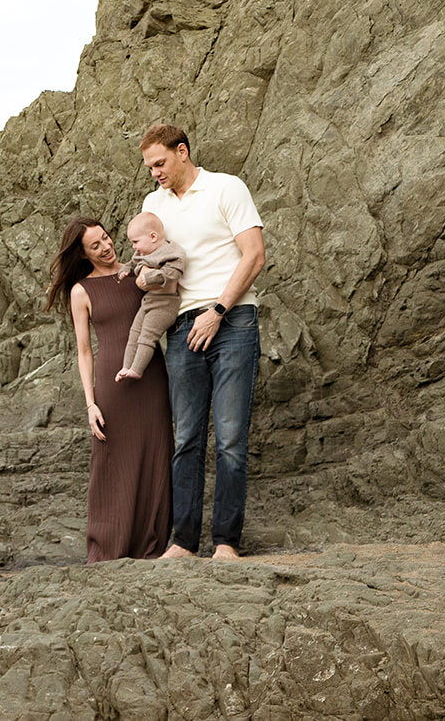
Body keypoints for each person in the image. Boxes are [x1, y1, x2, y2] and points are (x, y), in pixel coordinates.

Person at [139, 123, 265, 560]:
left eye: (160, 163)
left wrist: (218, 312)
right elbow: (152, 262)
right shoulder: (152, 204)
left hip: (232, 321)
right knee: (186, 438)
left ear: (182, 151)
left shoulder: (226, 188)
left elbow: (255, 255)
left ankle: (226, 542)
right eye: (149, 166)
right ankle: (183, 542)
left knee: (230, 437)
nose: (154, 172)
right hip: (180, 328)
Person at [46, 216, 173, 562]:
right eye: (95, 246)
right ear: (84, 254)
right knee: (112, 466)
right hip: (111, 388)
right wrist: (90, 404)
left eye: (105, 238)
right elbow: (84, 351)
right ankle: (107, 550)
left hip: (151, 376)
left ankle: (152, 547)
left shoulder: (139, 270)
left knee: (156, 456)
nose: (106, 247)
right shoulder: (81, 291)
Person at [116, 212, 184, 380]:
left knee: (147, 335)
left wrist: (150, 277)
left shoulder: (172, 252)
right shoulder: (143, 253)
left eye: (135, 242)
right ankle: (126, 366)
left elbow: (172, 274)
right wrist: (126, 269)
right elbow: (133, 263)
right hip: (148, 301)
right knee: (134, 333)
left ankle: (137, 370)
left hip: (165, 304)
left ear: (153, 236)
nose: (133, 247)